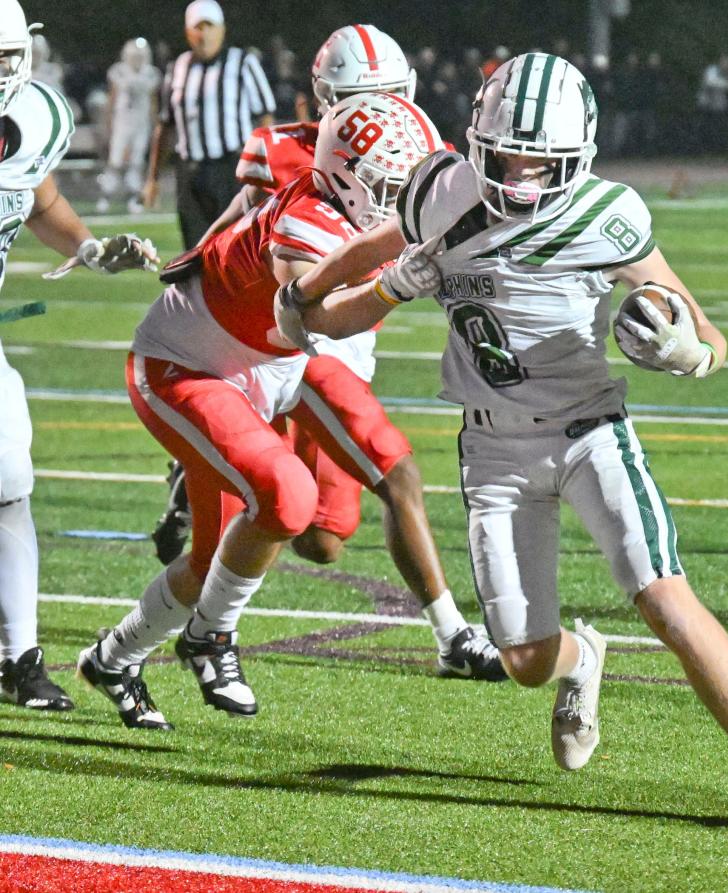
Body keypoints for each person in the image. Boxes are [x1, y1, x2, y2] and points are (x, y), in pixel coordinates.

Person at [276, 52, 728, 840]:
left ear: (577, 158)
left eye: (542, 163)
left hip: (590, 434)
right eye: (507, 157)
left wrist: (688, 351)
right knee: (525, 659)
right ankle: (583, 659)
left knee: (664, 596)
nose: (522, 177)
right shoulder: (439, 194)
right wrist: (328, 296)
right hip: (495, 453)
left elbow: (705, 330)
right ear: (478, 143)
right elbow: (355, 281)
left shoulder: (608, 216)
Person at [78, 92, 495, 733]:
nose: (399, 194)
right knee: (288, 497)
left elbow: (399, 234)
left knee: (211, 560)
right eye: (388, 182)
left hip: (268, 367)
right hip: (190, 367)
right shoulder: (307, 227)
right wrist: (399, 282)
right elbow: (323, 316)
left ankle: (112, 659)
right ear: (348, 175)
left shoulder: (345, 199)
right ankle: (211, 637)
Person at [150, 24, 503, 683]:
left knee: (322, 538)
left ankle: (209, 472)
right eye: (360, 103)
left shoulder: (422, 153)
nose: (379, 119)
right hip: (303, 349)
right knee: (395, 475)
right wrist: (189, 268)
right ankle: (454, 635)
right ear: (324, 105)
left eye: (390, 99)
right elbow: (238, 228)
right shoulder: (284, 154)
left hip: (344, 346)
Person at [0, 0, 158, 712]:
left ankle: (19, 656)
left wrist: (91, 249)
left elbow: (37, 198)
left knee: (9, 483)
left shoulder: (33, 116)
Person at [142, 0, 275, 249]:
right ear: (187, 32)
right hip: (189, 174)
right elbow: (165, 126)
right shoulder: (177, 67)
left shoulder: (242, 63)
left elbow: (265, 120)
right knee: (195, 251)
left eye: (209, 27)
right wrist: (153, 178)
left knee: (237, 247)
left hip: (233, 171)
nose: (204, 34)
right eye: (198, 28)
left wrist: (268, 170)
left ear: (222, 30)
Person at [96, 38, 161, 214]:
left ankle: (134, 197)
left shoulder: (151, 74)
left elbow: (153, 102)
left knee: (136, 162)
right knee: (115, 160)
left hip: (142, 123)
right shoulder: (119, 71)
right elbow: (112, 98)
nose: (137, 60)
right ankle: (106, 196)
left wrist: (155, 124)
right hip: (122, 122)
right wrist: (108, 123)